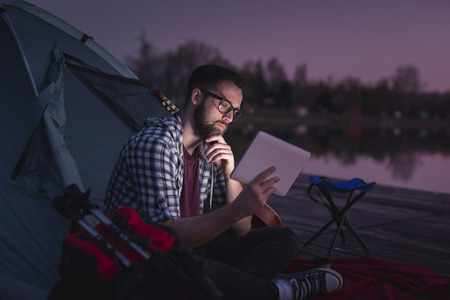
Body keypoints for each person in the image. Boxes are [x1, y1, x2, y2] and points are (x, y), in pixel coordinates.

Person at [104, 65, 343, 300]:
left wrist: (230, 174)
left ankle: (230, 288)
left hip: (192, 248)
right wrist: (239, 207)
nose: (229, 117)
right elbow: (170, 237)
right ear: (197, 96)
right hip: (145, 254)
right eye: (223, 105)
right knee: (184, 260)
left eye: (235, 111)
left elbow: (241, 230)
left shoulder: (212, 148)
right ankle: (276, 291)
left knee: (284, 237)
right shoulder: (156, 145)